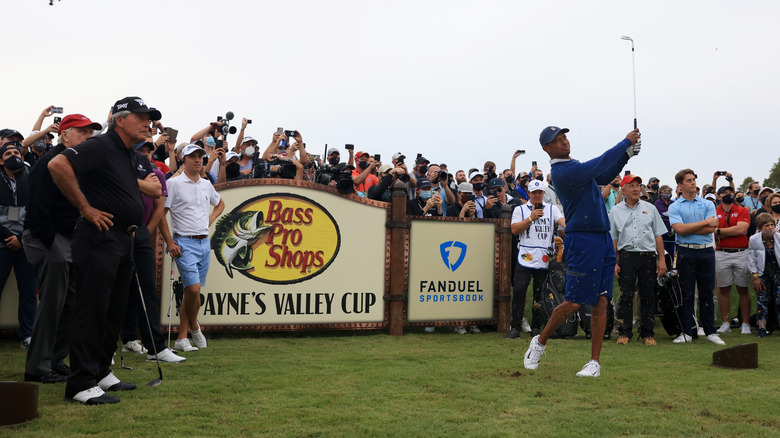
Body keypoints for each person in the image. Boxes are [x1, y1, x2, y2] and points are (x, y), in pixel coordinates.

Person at [49, 96, 162, 405]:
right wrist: (85, 208)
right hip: (99, 237)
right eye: (141, 117)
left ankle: (100, 371)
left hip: (122, 240)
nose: (147, 123)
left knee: (113, 310)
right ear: (120, 119)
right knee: (92, 309)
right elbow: (57, 164)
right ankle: (81, 383)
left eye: (149, 117)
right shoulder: (100, 145)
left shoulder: (127, 152)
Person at [524, 125, 641, 378]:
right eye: (557, 140)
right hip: (582, 240)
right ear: (547, 149)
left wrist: (627, 155)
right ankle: (539, 342)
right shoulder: (563, 171)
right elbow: (598, 165)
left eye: (565, 137)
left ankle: (594, 363)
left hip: (602, 238)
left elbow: (604, 173)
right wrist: (624, 143)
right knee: (574, 301)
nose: (564, 141)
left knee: (601, 300)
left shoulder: (574, 166)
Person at [23, 114, 101, 384]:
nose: (88, 137)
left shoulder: (78, 162)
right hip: (49, 238)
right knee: (52, 304)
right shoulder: (49, 161)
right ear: (64, 134)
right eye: (82, 132)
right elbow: (37, 209)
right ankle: (37, 367)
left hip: (69, 239)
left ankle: (55, 360)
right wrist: (53, 244)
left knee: (71, 304)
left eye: (90, 133)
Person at [119, 141, 186, 363]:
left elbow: (159, 205)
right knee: (115, 291)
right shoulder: (118, 165)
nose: (146, 155)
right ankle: (114, 345)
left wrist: (145, 233)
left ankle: (155, 347)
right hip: (115, 233)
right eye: (142, 151)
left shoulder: (155, 173)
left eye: (149, 151)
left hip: (141, 234)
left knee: (147, 291)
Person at [160, 144, 225, 352]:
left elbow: (220, 203)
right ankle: (192, 329)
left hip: (204, 242)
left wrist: (211, 219)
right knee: (194, 289)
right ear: (183, 159)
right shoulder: (173, 183)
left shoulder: (206, 184)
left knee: (192, 291)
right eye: (192, 157)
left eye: (200, 157)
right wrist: (170, 242)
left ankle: (184, 336)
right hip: (184, 241)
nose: (197, 160)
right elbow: (161, 214)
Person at [667, 169, 725, 345]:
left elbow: (711, 229)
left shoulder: (707, 204)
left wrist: (692, 227)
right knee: (687, 293)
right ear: (680, 185)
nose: (693, 182)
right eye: (689, 180)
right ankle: (687, 332)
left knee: (707, 293)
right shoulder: (675, 206)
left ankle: (710, 331)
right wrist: (704, 223)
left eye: (694, 179)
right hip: (686, 252)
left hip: (706, 251)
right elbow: (679, 230)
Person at [609, 175, 668, 346]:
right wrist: (614, 261)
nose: (636, 189)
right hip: (627, 256)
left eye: (638, 185)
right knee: (626, 295)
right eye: (632, 185)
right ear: (624, 189)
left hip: (648, 256)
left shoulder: (650, 208)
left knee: (648, 294)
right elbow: (613, 238)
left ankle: (647, 333)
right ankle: (625, 332)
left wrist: (662, 259)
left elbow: (658, 235)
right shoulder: (615, 211)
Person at [506, 179, 565, 339]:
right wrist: (531, 218)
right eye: (534, 193)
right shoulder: (520, 209)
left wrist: (567, 226)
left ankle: (537, 327)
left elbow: (563, 223)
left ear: (543, 193)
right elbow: (514, 230)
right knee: (519, 292)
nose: (537, 195)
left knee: (540, 294)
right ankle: (515, 326)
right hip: (525, 256)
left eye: (540, 192)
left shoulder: (552, 209)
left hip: (544, 257)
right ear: (529, 193)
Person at [0, 141, 37, 349]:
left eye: (17, 152)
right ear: (1, 160)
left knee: (29, 291)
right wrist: (8, 237)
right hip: (2, 244)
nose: (14, 155)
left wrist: (21, 237)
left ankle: (27, 335)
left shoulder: (30, 178)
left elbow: (36, 211)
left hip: (25, 244)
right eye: (8, 153)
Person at [713, 186, 751, 335]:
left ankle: (746, 324)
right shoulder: (714, 212)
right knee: (724, 290)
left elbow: (742, 230)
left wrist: (720, 232)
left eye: (730, 192)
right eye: (725, 193)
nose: (728, 195)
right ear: (719, 195)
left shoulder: (742, 210)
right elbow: (711, 232)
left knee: (743, 289)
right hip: (721, 253)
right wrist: (730, 232)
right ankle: (725, 322)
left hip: (741, 252)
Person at [747, 213, 780, 337]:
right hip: (762, 274)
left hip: (778, 273)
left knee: (778, 300)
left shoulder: (779, 237)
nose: (771, 227)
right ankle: (762, 328)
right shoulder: (754, 239)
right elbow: (751, 259)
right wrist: (755, 277)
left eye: (772, 224)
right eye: (767, 225)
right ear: (760, 228)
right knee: (762, 300)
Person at [654, 184, 676, 258]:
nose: (667, 192)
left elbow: (677, 213)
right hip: (663, 233)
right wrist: (673, 214)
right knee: (663, 253)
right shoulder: (658, 203)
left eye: (669, 191)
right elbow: (664, 213)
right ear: (660, 193)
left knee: (671, 253)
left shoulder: (673, 203)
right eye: (665, 191)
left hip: (672, 233)